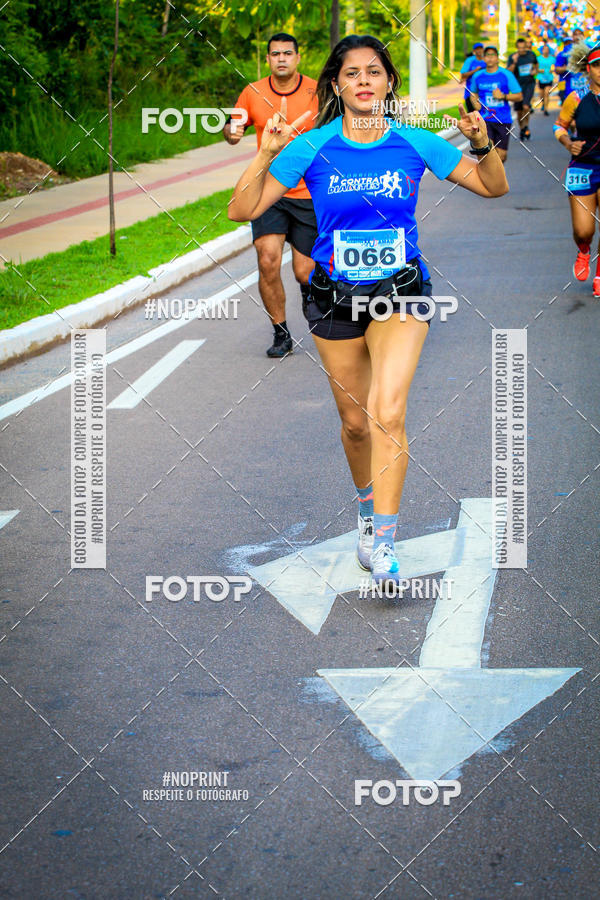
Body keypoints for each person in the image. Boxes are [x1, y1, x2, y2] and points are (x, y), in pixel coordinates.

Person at [228, 34, 508, 586]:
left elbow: (493, 187)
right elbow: (242, 208)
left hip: (399, 293)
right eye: (351, 73)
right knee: (355, 424)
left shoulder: (414, 141)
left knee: (388, 410)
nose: (363, 81)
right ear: (337, 84)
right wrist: (265, 152)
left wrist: (483, 144)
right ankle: (364, 508)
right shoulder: (312, 146)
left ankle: (384, 540)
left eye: (373, 72)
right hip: (335, 297)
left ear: (388, 83)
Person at [223, 33, 319, 358]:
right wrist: (232, 131)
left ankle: (309, 294)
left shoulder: (317, 91)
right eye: (275, 54)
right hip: (268, 192)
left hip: (309, 193)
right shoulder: (252, 92)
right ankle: (281, 334)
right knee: (267, 260)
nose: (281, 58)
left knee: (304, 271)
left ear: (297, 57)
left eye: (287, 53)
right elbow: (232, 128)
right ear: (267, 59)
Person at [554, 42, 600, 297]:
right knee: (584, 230)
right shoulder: (576, 97)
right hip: (583, 166)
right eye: (596, 65)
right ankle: (583, 250)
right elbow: (559, 126)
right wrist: (567, 142)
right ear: (587, 68)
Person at [470, 46, 523, 161]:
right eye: (487, 55)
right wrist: (475, 103)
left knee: (502, 156)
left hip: (503, 119)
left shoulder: (506, 75)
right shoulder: (478, 76)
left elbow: (519, 96)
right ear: (483, 58)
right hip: (485, 119)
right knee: (490, 153)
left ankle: (497, 176)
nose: (490, 58)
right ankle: (491, 178)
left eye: (492, 55)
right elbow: (473, 93)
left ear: (497, 58)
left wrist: (503, 96)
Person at [508, 36, 539, 139]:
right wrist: (514, 62)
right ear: (517, 47)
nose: (521, 50)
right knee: (519, 110)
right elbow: (509, 72)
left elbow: (536, 65)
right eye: (519, 48)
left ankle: (526, 126)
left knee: (526, 106)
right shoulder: (513, 57)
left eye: (523, 48)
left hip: (529, 83)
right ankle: (522, 128)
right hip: (517, 87)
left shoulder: (531, 55)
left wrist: (535, 71)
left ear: (526, 46)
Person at [460, 42, 486, 112]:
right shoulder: (470, 60)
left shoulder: (487, 60)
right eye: (477, 49)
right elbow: (463, 75)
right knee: (472, 115)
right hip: (470, 93)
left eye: (481, 49)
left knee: (484, 116)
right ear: (474, 51)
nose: (479, 51)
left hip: (484, 93)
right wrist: (475, 70)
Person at [536, 43, 556, 114]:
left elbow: (554, 66)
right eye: (544, 49)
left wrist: (552, 69)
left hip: (549, 78)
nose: (546, 51)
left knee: (546, 93)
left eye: (547, 50)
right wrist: (540, 70)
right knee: (541, 95)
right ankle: (543, 104)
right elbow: (536, 68)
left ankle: (546, 109)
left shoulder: (552, 59)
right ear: (542, 50)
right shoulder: (538, 58)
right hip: (541, 78)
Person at [555, 35, 574, 103]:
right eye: (566, 43)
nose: (568, 45)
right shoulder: (561, 54)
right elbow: (557, 70)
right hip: (563, 82)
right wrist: (566, 68)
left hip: (576, 84)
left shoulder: (577, 53)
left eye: (570, 43)